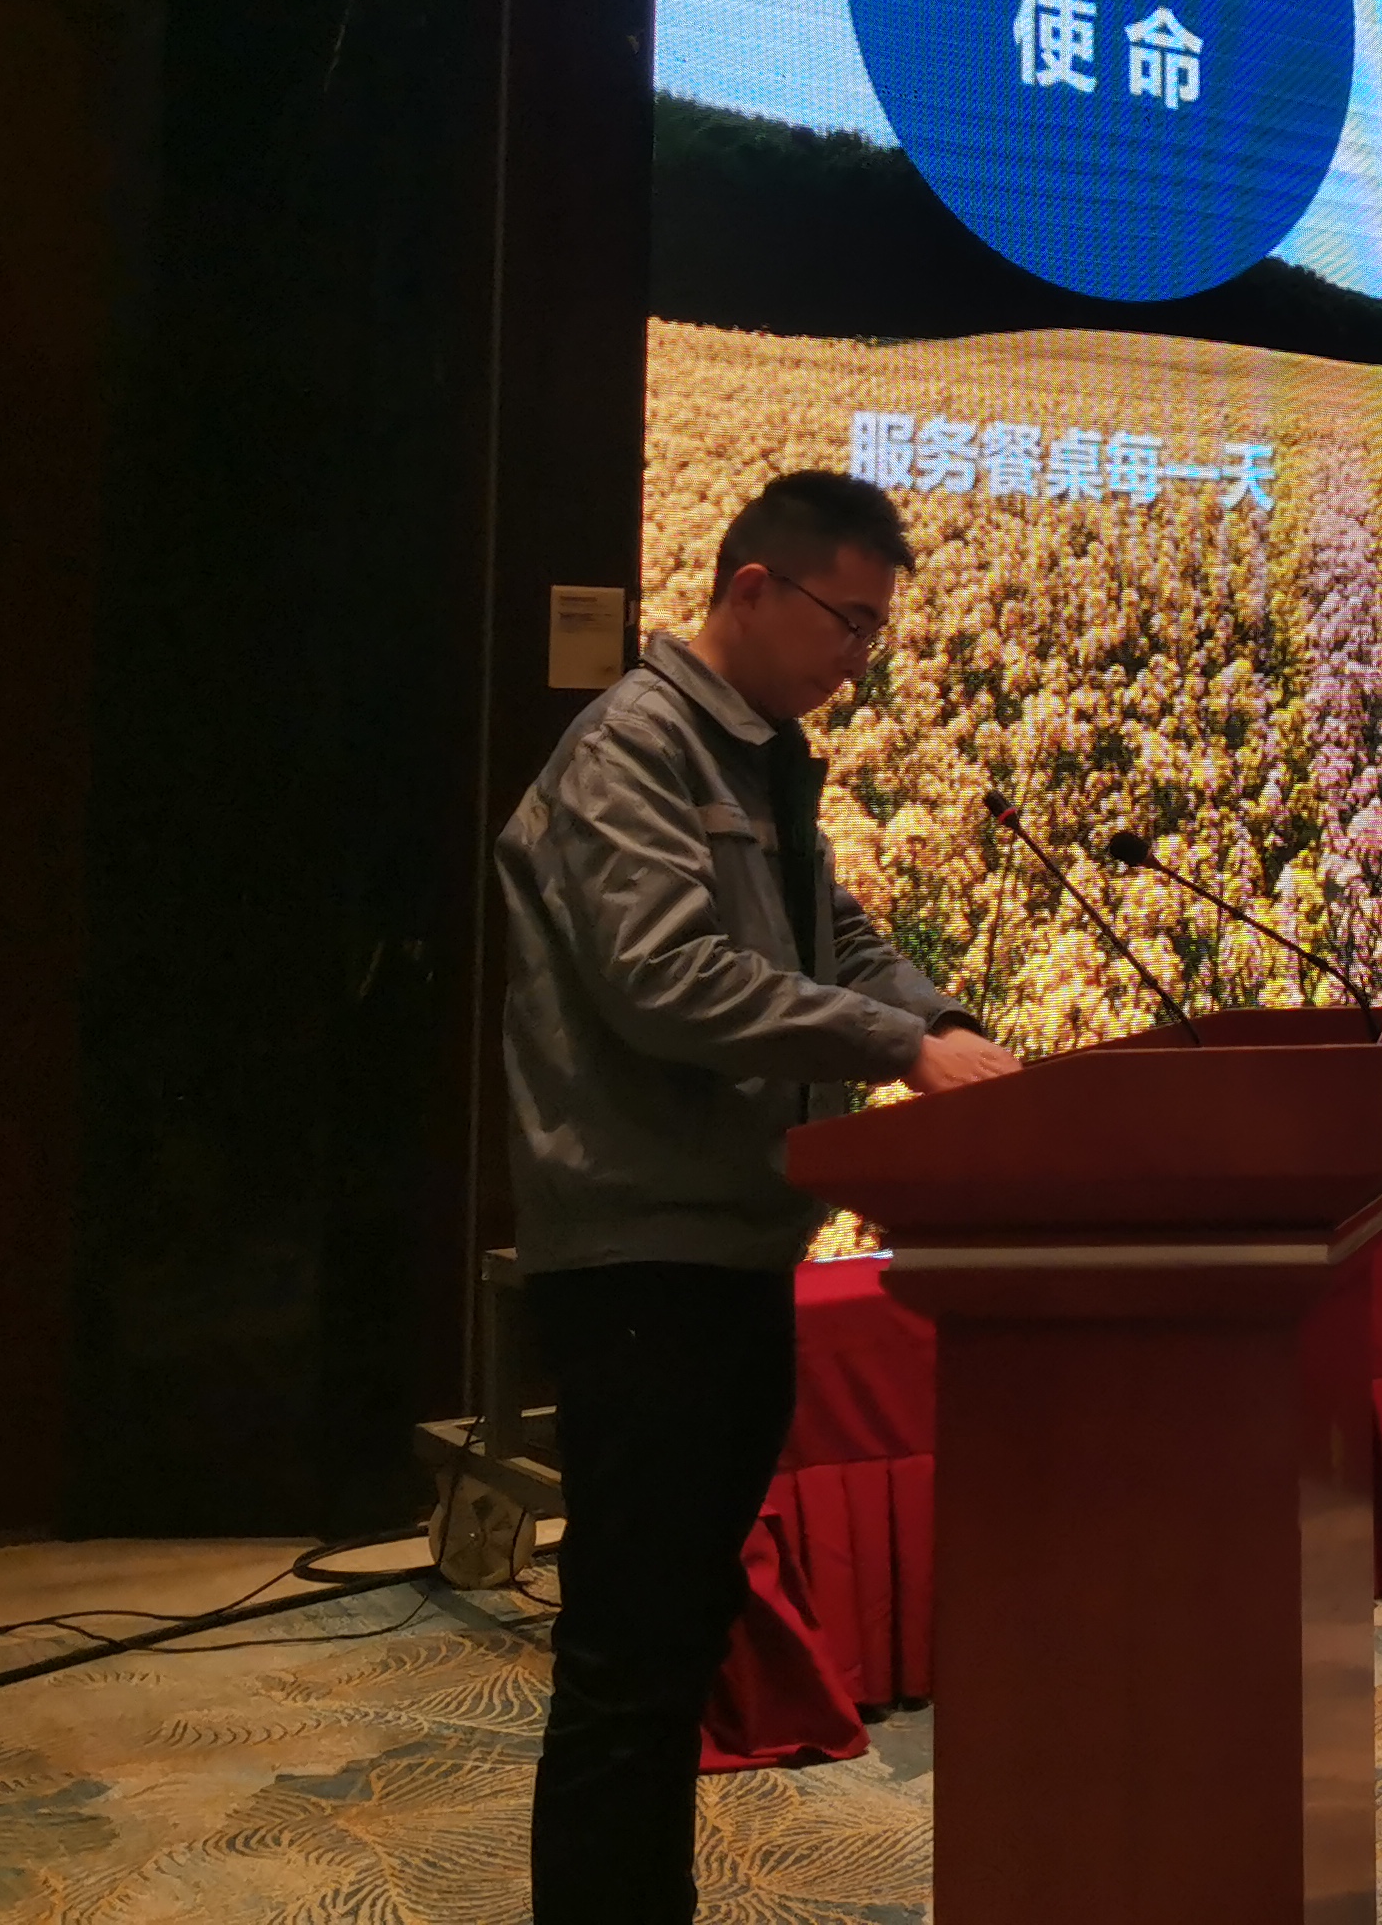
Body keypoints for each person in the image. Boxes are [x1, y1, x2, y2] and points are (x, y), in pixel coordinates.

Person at [497, 468, 1020, 1925]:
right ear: (752, 587)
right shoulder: (636, 747)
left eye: (876, 630)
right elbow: (665, 980)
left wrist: (950, 1025)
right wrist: (898, 1050)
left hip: (735, 1249)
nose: (860, 657)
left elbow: (833, 943)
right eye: (849, 622)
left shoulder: (761, 759)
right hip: (641, 1258)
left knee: (677, 1636)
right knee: (631, 1652)